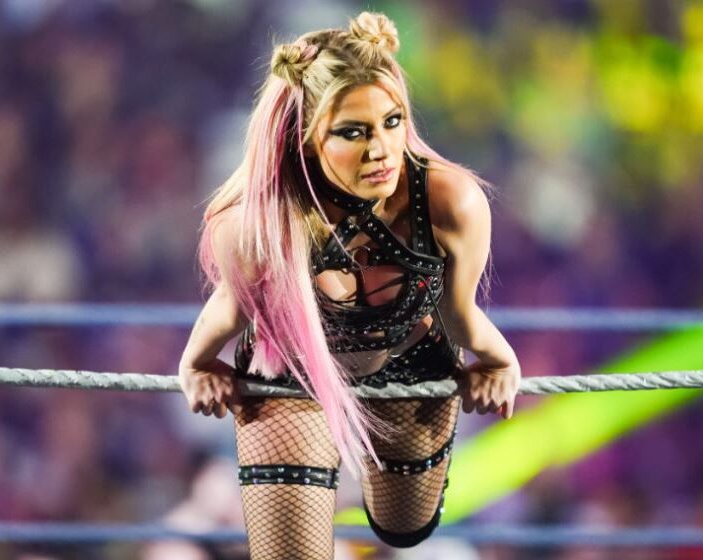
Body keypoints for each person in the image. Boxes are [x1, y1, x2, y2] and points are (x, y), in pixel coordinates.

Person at [178, 11, 520, 558]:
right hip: (290, 375)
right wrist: (195, 365)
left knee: (405, 527)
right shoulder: (255, 224)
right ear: (307, 140)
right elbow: (230, 308)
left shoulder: (451, 202)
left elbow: (460, 318)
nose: (381, 149)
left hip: (411, 363)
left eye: (392, 121)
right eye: (353, 132)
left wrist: (501, 362)